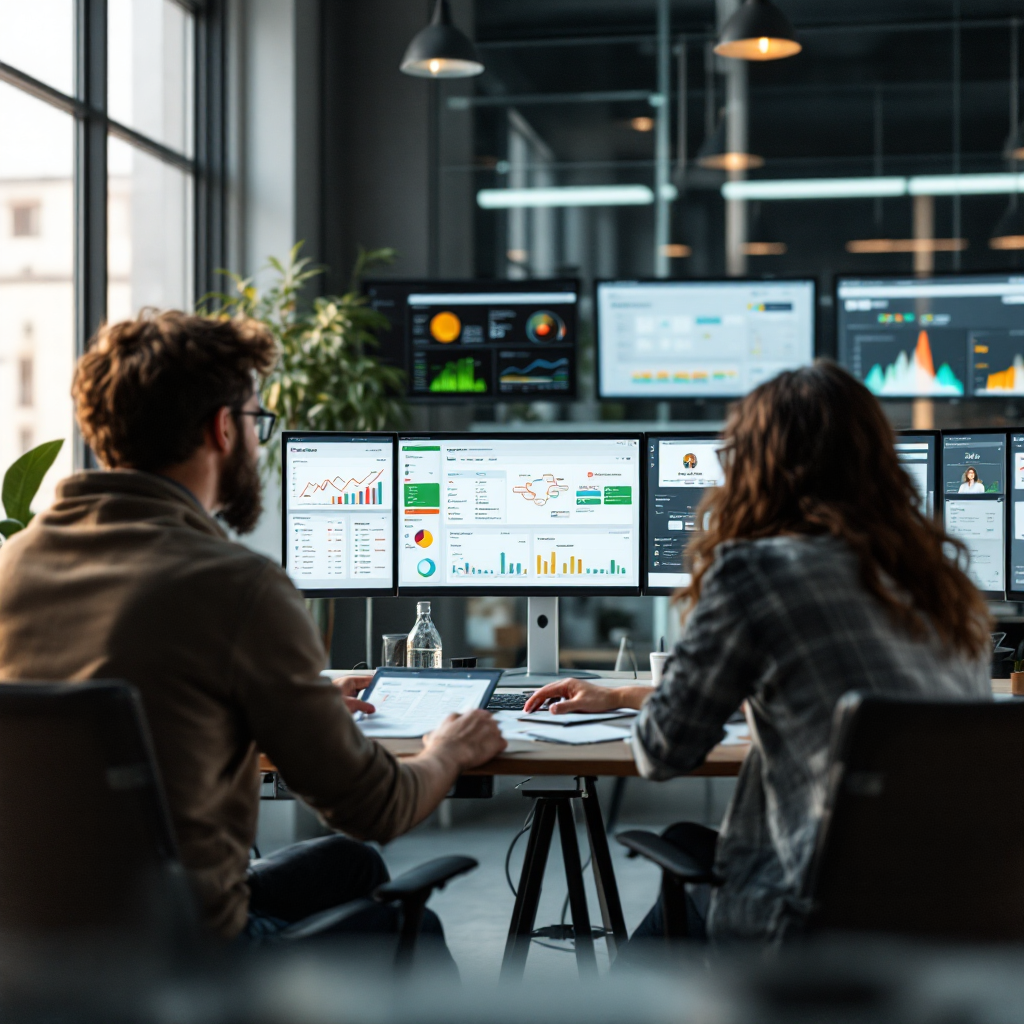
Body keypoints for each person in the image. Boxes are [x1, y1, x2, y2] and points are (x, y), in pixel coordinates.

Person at [0, 310, 506, 953]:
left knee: (347, 868)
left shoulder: (15, 564)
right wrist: (450, 750)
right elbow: (375, 808)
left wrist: (301, 701)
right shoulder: (237, 585)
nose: (259, 442)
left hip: (32, 950)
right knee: (412, 926)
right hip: (189, 952)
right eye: (256, 421)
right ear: (222, 429)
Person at [525, 361, 991, 944]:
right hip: (957, 919)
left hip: (814, 918)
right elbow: (826, 699)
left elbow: (661, 752)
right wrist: (621, 693)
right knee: (691, 845)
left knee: (682, 857)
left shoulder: (757, 571)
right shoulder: (941, 583)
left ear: (756, 466)